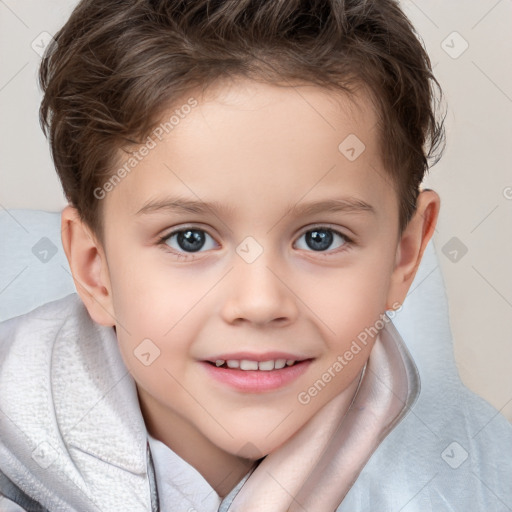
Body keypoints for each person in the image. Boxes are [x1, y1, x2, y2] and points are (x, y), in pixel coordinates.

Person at [1, 0, 511, 510]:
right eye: (190, 239)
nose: (261, 302)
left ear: (405, 256)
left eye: (320, 238)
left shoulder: (478, 481)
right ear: (96, 271)